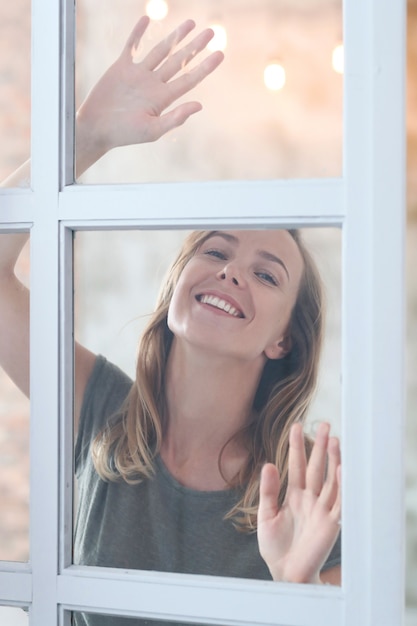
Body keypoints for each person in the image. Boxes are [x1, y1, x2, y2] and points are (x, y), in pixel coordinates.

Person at [0, 16, 341, 626]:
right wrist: (84, 136)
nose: (233, 272)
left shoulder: (305, 486)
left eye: (266, 275)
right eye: (216, 250)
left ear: (283, 339)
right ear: (177, 282)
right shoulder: (100, 409)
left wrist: (301, 587)